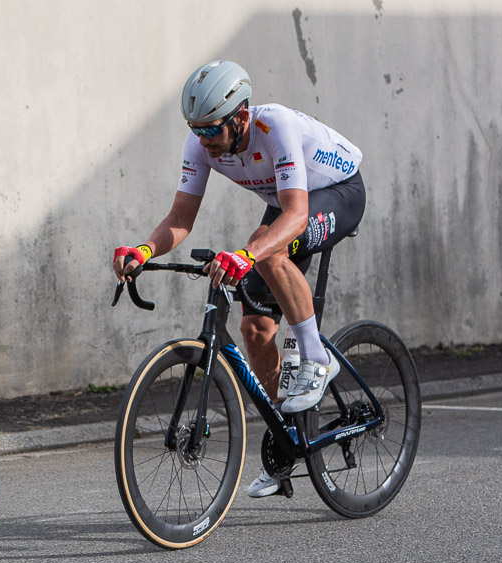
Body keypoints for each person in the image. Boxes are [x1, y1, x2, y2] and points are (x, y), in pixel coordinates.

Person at [112, 60, 365, 497]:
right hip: (289, 202)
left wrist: (248, 253)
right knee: (255, 328)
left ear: (241, 117)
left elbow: (297, 215)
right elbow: (179, 218)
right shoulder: (200, 143)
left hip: (338, 192)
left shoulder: (276, 127)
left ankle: (317, 358)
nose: (204, 141)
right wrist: (145, 250)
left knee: (265, 249)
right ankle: (290, 438)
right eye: (197, 130)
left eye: (212, 130)